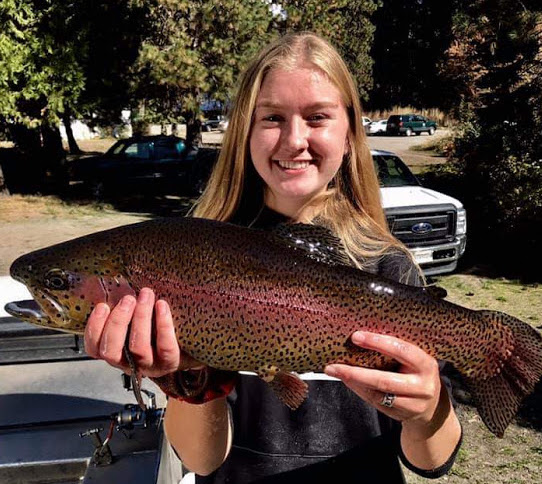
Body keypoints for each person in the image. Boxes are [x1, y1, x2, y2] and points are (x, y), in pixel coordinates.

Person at [84, 32, 462, 483]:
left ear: (349, 135)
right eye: (272, 118)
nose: (294, 139)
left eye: (317, 117)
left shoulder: (387, 267)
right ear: (245, 130)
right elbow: (202, 461)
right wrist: (185, 379)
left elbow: (431, 461)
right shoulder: (194, 260)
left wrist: (425, 410)